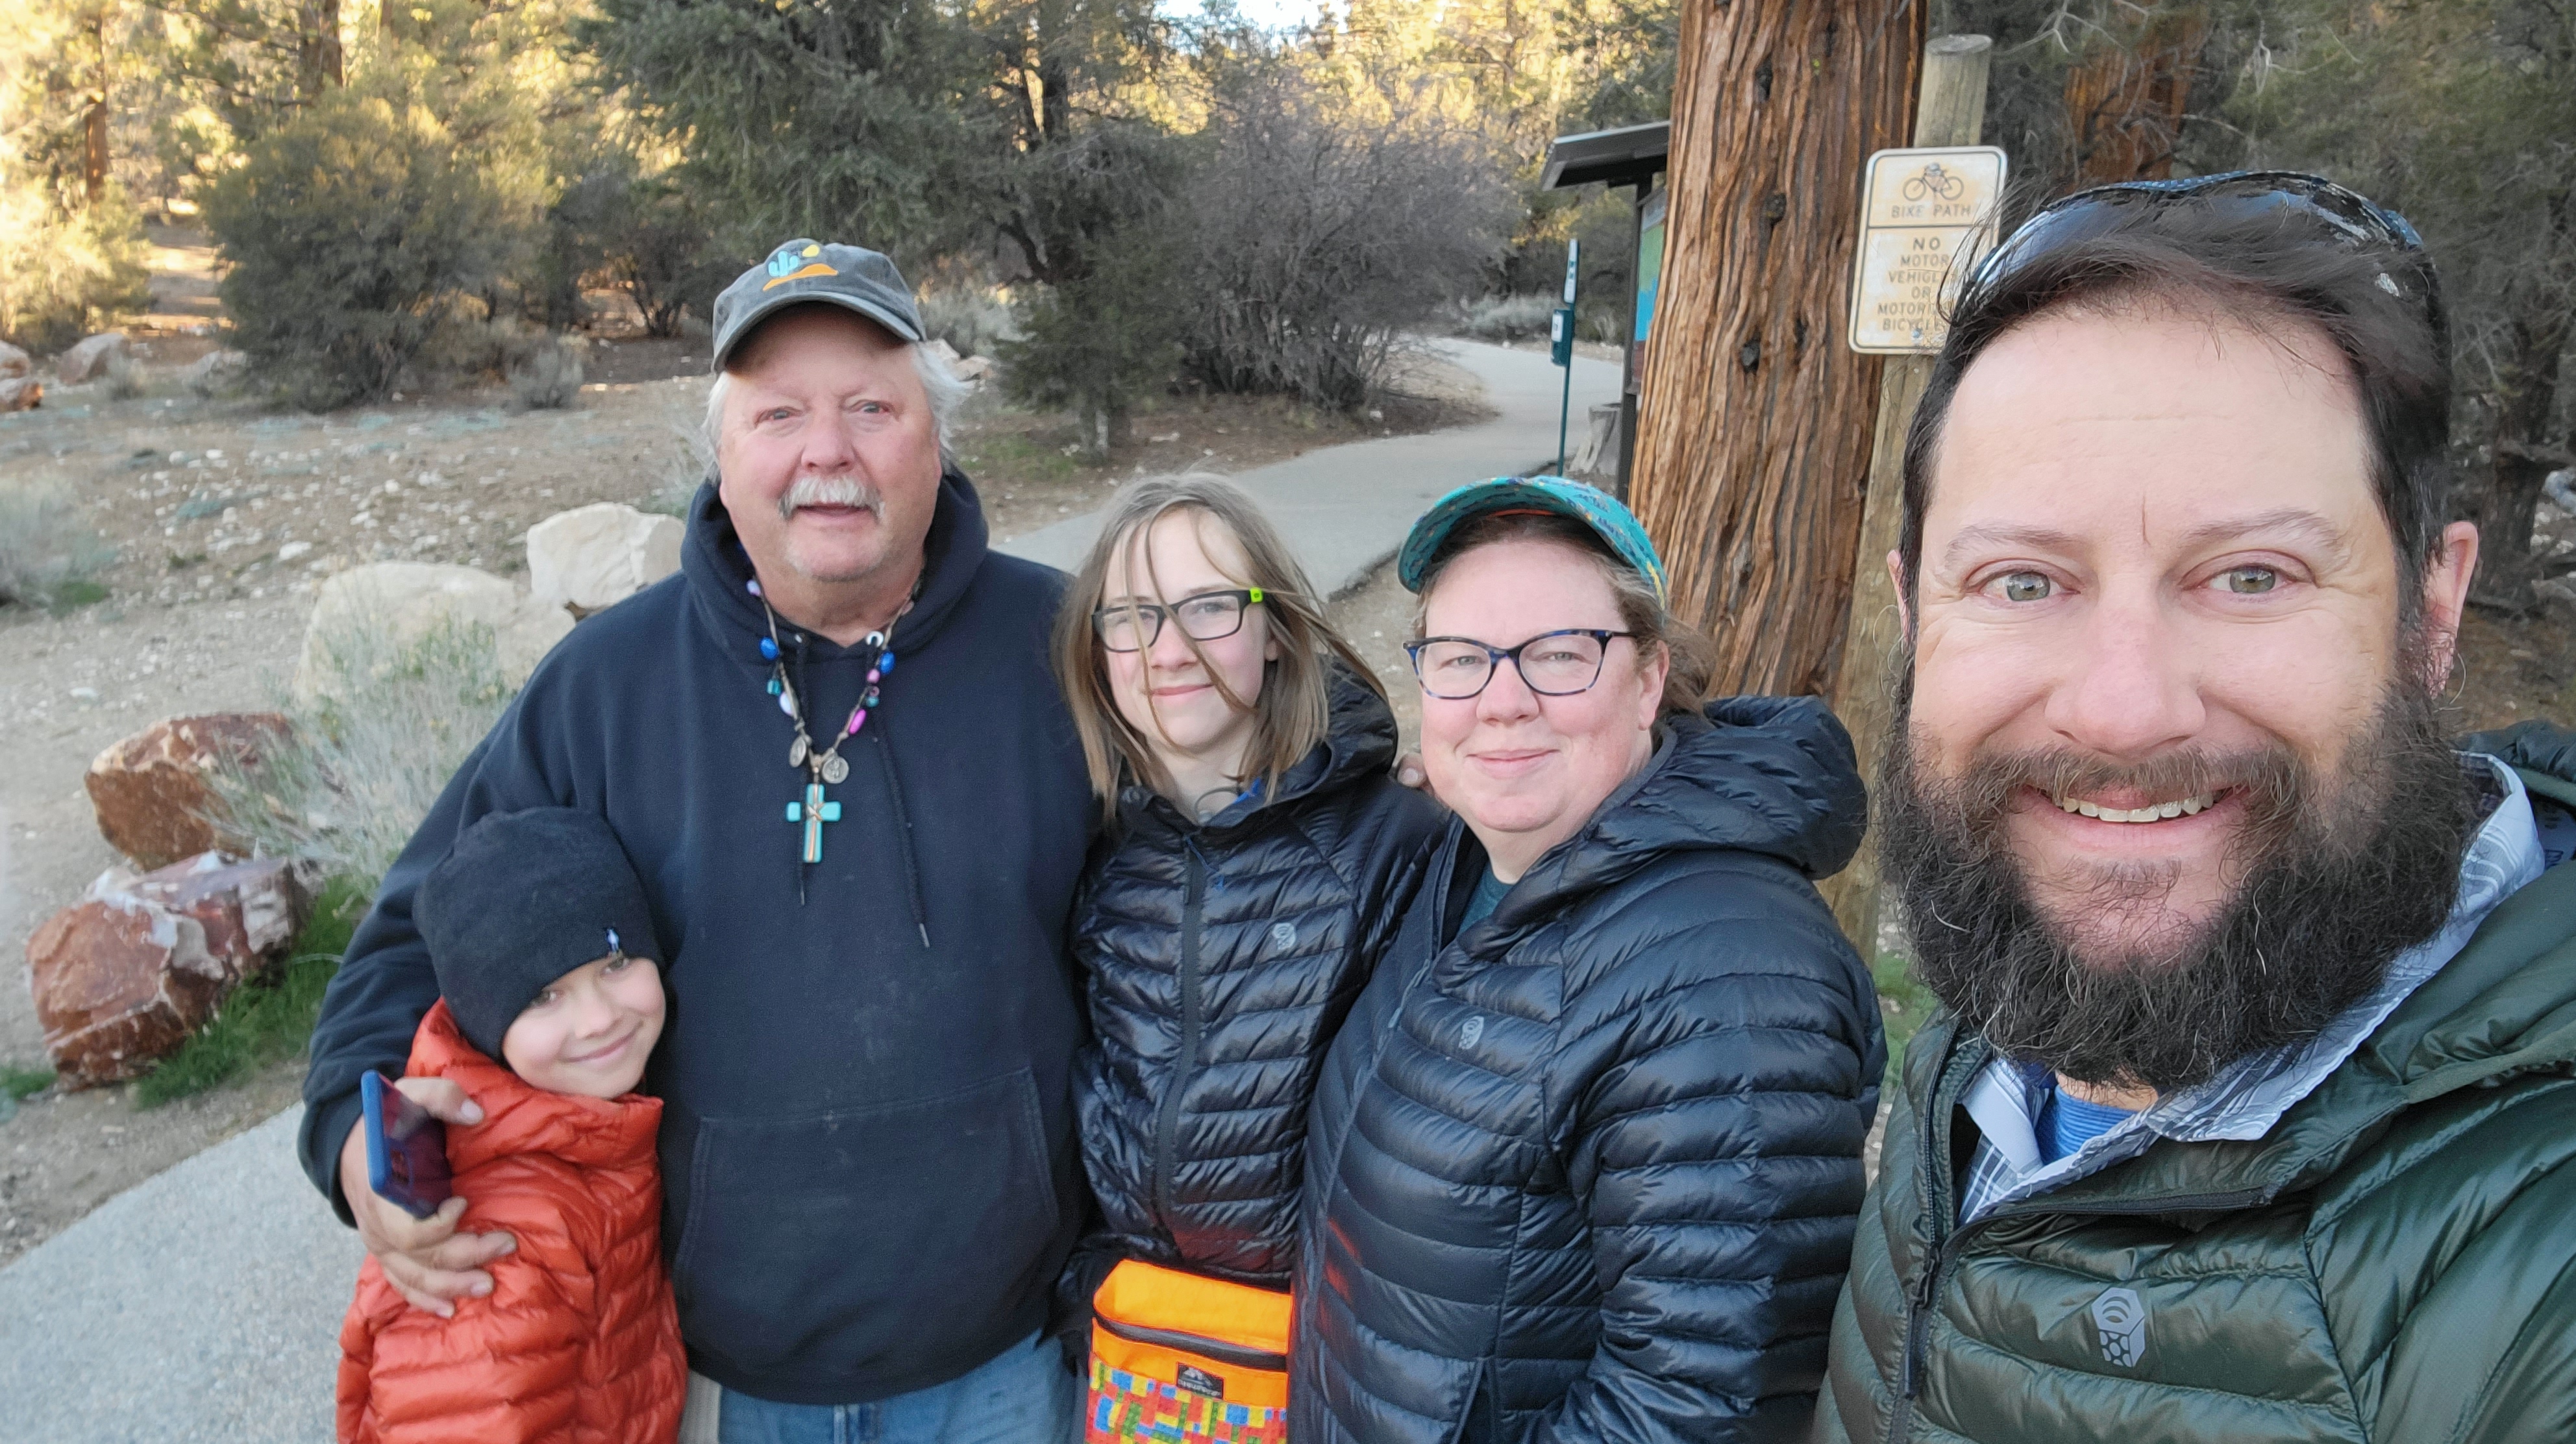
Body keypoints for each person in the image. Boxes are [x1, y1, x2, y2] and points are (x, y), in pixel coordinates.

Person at [1812, 173, 2576, 1444]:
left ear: (2430, 611)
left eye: (2250, 574)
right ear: (1911, 612)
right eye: (2020, 581)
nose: (2121, 713)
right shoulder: (1986, 1032)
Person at [299, 239, 1096, 1443]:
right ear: (722, 457)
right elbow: (415, 942)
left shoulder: (1067, 646)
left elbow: (1247, 794)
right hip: (717, 1373)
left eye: (871, 407)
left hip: (1007, 1358)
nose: (826, 450)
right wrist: (359, 1148)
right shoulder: (604, 686)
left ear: (937, 434)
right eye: (778, 413)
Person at [1291, 477, 1885, 1443]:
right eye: (1461, 658)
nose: (1502, 702)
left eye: (1559, 654)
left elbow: (1700, 1407)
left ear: (1648, 679)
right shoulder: (1467, 863)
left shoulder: (1723, 977)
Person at [1051, 475, 1444, 1441]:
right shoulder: (1088, 849)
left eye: (1209, 607)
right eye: (1132, 615)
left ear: (1275, 629)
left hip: (1321, 1368)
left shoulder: (1397, 841)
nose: (1168, 650)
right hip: (1135, 1354)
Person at [337, 808, 685, 1444]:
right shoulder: (502, 1240)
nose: (598, 1019)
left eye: (615, 961)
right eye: (542, 996)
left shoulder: (588, 1132)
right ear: (483, 1025)